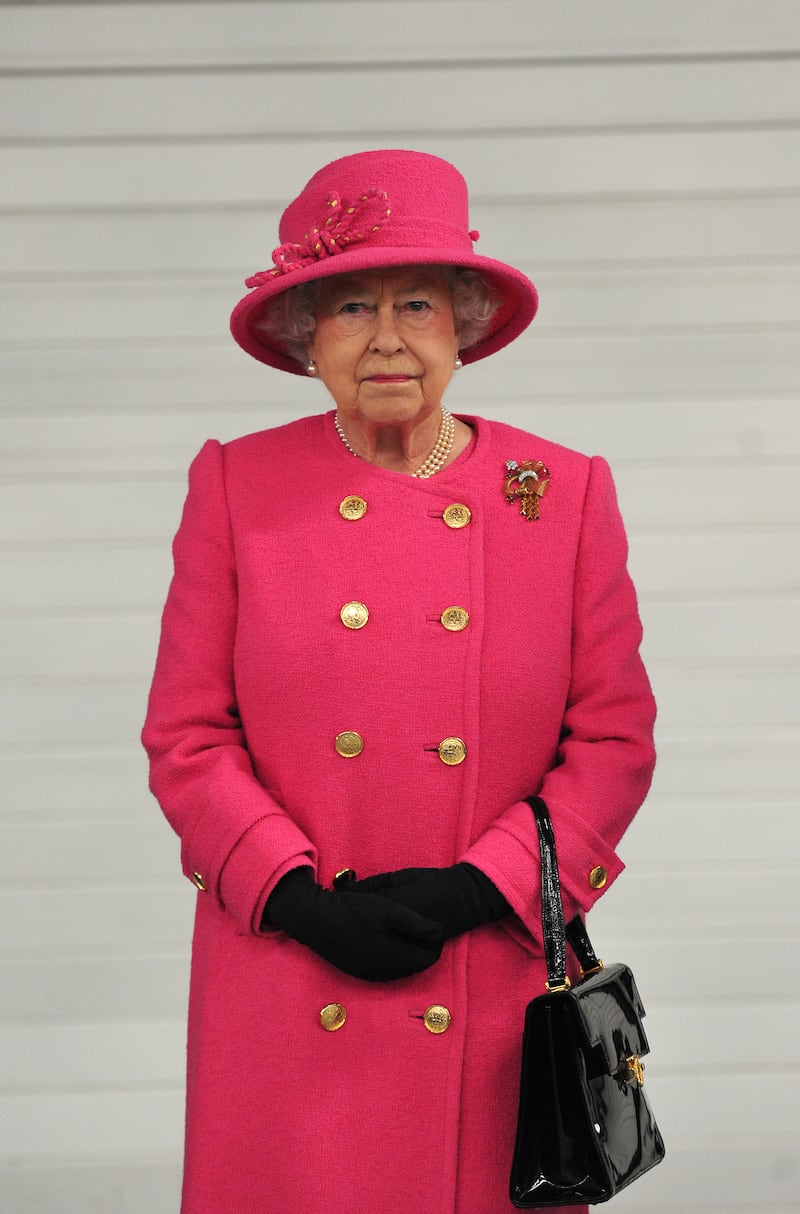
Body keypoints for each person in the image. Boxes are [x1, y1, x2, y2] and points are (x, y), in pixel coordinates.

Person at [142, 149, 656, 1214]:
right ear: (304, 338)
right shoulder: (239, 485)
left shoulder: (555, 492)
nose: (385, 337)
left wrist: (479, 886)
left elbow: (611, 739)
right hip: (288, 964)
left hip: (488, 961)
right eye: (348, 307)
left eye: (415, 302)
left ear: (462, 321)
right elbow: (187, 734)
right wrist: (290, 893)